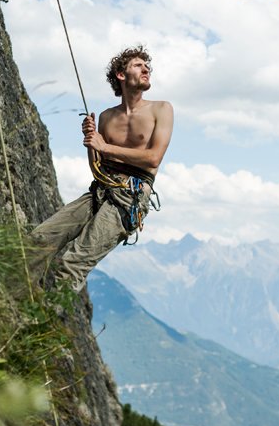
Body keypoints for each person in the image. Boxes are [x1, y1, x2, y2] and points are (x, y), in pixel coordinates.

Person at [31, 45, 174, 290]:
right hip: (100, 188)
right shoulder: (107, 117)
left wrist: (104, 146)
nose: (146, 69)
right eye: (138, 65)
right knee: (39, 240)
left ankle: (41, 324)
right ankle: (5, 305)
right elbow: (97, 167)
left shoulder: (161, 109)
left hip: (130, 195)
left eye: (147, 66)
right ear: (121, 74)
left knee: (72, 264)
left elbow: (153, 159)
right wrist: (91, 140)